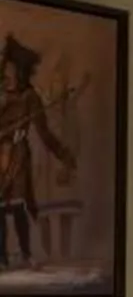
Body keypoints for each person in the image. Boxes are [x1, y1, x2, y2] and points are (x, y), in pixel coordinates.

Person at [0, 36, 76, 270]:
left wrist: (64, 154)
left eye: (11, 66)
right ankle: (1, 257)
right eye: (6, 66)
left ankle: (25, 254)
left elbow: (44, 133)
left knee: (18, 204)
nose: (7, 71)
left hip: (19, 154)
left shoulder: (30, 97)